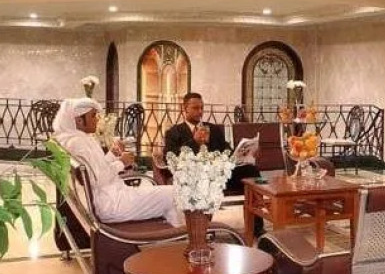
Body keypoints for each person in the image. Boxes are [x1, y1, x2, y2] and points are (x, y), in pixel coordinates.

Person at [53, 98, 180, 226]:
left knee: (170, 195)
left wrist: (112, 154)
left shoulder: (78, 139)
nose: (97, 119)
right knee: (175, 194)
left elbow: (97, 168)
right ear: (79, 120)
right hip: (112, 203)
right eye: (93, 115)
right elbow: (96, 179)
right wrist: (122, 163)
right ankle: (176, 233)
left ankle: (172, 233)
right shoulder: (78, 144)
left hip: (112, 195)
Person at [164, 92, 264, 235]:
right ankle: (203, 230)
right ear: (184, 109)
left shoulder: (213, 129)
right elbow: (171, 157)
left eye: (202, 108)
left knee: (251, 170)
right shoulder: (174, 132)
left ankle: (256, 228)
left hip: (220, 176)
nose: (200, 112)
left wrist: (246, 153)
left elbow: (227, 151)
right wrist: (194, 142)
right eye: (195, 108)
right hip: (195, 179)